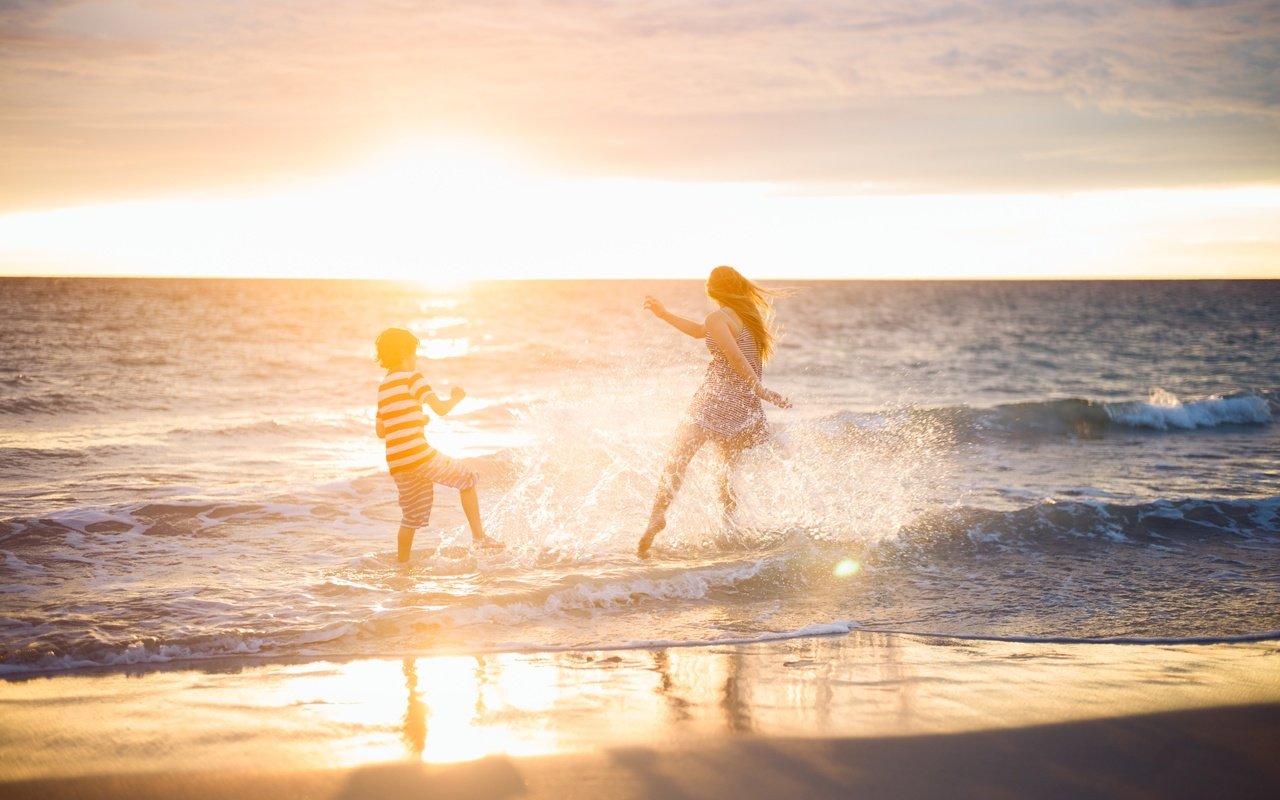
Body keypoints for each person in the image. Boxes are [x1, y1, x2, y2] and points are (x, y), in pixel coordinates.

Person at [637, 266, 791, 558]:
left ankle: (656, 516)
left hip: (715, 400)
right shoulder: (748, 319)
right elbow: (699, 332)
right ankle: (728, 531)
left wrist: (761, 390)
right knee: (725, 472)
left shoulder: (718, 317)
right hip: (743, 407)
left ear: (711, 289)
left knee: (676, 461)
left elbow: (733, 356)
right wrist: (664, 314)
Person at [374, 327, 502, 562]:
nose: (415, 360)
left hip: (397, 461)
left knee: (410, 517)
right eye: (413, 354)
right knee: (467, 479)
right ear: (404, 353)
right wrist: (456, 398)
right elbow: (441, 409)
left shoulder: (383, 387)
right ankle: (479, 538)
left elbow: (382, 430)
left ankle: (402, 566)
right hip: (418, 454)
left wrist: (417, 418)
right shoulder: (413, 378)